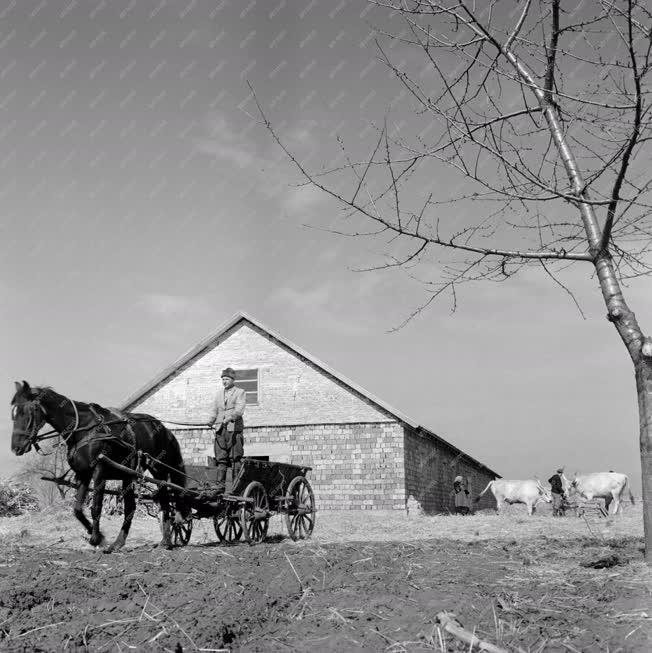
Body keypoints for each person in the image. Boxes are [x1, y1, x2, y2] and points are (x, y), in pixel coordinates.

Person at [210, 367, 246, 494]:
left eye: (227, 379)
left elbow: (240, 409)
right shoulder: (219, 394)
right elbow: (215, 410)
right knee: (221, 458)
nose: (224, 381)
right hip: (220, 429)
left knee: (235, 458)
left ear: (232, 380)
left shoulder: (239, 392)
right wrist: (211, 420)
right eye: (223, 379)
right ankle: (220, 485)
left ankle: (236, 488)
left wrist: (231, 418)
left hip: (234, 430)